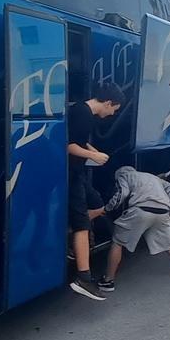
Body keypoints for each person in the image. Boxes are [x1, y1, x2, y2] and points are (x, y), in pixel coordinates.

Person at [96, 166, 170, 295]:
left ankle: (108, 281)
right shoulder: (152, 176)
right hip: (162, 212)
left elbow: (121, 194)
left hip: (140, 210)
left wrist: (107, 208)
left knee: (117, 242)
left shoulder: (123, 176)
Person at [67, 82, 125, 301]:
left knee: (99, 205)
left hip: (78, 173)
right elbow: (68, 145)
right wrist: (93, 156)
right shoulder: (83, 114)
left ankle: (73, 239)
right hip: (71, 174)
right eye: (114, 110)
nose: (112, 114)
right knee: (82, 223)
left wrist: (94, 151)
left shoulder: (82, 111)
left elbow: (77, 141)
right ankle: (83, 277)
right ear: (108, 103)